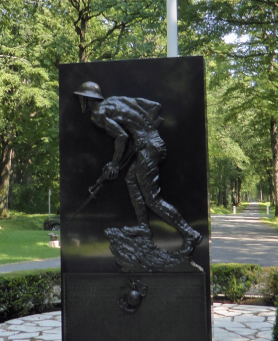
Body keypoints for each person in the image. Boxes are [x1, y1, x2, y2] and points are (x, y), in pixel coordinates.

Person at [74, 81, 202, 255]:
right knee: (130, 180)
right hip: (152, 144)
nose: (80, 102)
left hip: (149, 148)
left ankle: (190, 233)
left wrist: (114, 163)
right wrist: (145, 132)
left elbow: (121, 136)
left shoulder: (98, 113)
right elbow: (155, 107)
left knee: (153, 200)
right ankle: (144, 227)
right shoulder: (116, 100)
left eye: (81, 98)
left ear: (86, 100)